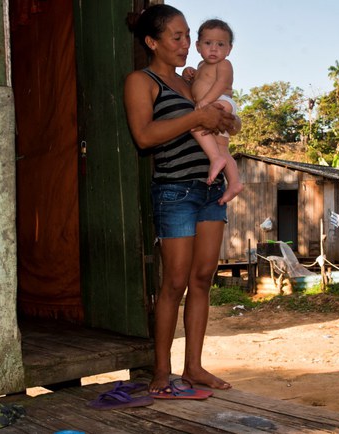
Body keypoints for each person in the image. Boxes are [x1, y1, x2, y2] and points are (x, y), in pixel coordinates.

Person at [124, 4, 238, 394]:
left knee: (203, 279)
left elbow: (225, 123)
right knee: (173, 282)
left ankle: (194, 367)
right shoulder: (141, 81)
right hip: (175, 190)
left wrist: (228, 118)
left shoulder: (191, 81)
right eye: (177, 36)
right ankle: (161, 369)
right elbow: (144, 136)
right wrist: (196, 119)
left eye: (189, 35)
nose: (187, 44)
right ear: (152, 41)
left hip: (211, 188)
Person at [182, 19, 243, 205]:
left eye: (220, 44)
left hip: (222, 103)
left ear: (229, 49)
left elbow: (221, 84)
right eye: (208, 43)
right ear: (198, 46)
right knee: (223, 147)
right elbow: (196, 86)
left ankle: (215, 158)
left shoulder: (225, 64)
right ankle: (234, 182)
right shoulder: (200, 66)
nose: (214, 49)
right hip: (211, 106)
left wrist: (206, 102)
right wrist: (188, 73)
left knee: (194, 123)